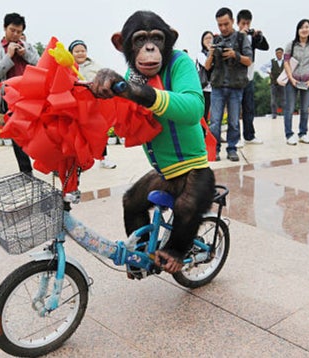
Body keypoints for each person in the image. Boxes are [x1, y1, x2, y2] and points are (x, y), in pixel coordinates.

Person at [90, 10, 216, 275]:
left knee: (186, 206)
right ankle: (143, 255)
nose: (149, 48)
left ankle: (176, 253)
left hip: (194, 168)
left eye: (157, 40)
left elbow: (194, 108)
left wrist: (141, 93)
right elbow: (119, 104)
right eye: (140, 41)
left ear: (169, 41)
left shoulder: (179, 62)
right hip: (165, 172)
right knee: (131, 202)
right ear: (120, 44)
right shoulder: (134, 74)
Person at [0, 12, 40, 175]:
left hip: (30, 95)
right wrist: (9, 56)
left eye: (18, 31)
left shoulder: (28, 46)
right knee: (17, 135)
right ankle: (26, 170)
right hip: (9, 97)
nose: (15, 35)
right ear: (4, 28)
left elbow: (40, 65)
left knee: (40, 130)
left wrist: (26, 55)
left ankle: (49, 163)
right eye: (12, 30)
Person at [205, 7, 253, 161]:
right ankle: (215, 150)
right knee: (215, 121)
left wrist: (235, 54)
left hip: (236, 86)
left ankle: (232, 149)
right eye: (220, 25)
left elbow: (249, 60)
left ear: (232, 21)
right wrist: (212, 52)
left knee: (233, 121)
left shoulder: (241, 38)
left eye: (226, 24)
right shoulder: (216, 39)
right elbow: (206, 66)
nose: (223, 28)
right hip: (218, 86)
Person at [68, 39, 117, 169]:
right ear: (71, 53)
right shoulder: (67, 66)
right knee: (77, 134)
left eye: (83, 50)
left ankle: (103, 159)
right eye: (77, 51)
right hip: (76, 107)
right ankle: (79, 161)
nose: (80, 53)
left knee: (100, 130)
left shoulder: (95, 66)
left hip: (94, 105)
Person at [282, 19, 309, 145]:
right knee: (290, 108)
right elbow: (286, 62)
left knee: (305, 109)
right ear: (298, 30)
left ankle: (303, 133)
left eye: (307, 27)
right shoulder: (291, 45)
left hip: (307, 80)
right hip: (292, 80)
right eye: (302, 27)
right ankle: (289, 134)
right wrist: (291, 78)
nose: (304, 30)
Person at [236, 9, 269, 146]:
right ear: (238, 23)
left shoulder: (252, 37)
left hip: (249, 78)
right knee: (235, 109)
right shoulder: (234, 36)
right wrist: (240, 36)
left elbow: (266, 47)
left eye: (248, 24)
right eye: (243, 23)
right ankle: (236, 138)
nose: (245, 26)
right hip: (236, 79)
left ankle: (249, 136)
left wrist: (259, 36)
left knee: (249, 108)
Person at [261, 47, 285, 119]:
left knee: (284, 99)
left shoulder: (285, 62)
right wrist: (268, 72)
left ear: (282, 54)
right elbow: (262, 67)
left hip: (282, 83)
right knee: (273, 100)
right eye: (277, 53)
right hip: (274, 82)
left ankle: (284, 113)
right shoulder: (272, 61)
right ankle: (274, 114)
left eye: (280, 53)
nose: (279, 54)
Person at [196, 31, 214, 123]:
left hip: (216, 87)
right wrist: (211, 52)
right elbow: (207, 66)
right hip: (205, 88)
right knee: (204, 114)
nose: (208, 40)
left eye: (210, 38)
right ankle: (202, 135)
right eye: (206, 38)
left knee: (215, 114)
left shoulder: (217, 53)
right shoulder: (200, 55)